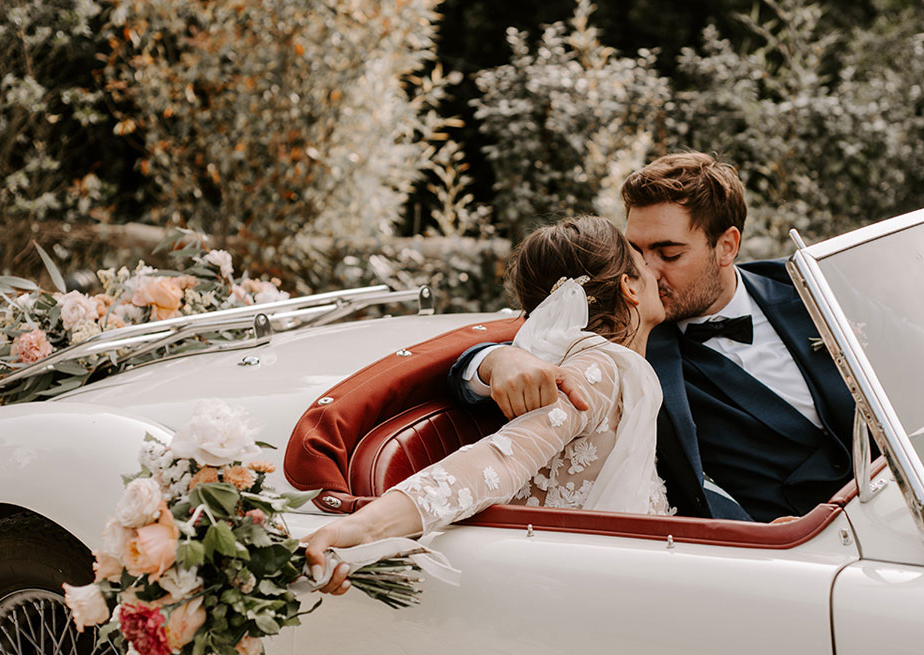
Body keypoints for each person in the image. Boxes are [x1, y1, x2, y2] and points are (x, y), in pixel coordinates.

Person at [451, 152, 855, 523]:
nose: (648, 270)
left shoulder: (813, 289)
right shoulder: (631, 338)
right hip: (783, 547)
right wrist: (495, 362)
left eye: (669, 253)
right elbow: (539, 333)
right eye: (638, 251)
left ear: (727, 246)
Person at [304, 215, 670, 594]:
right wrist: (365, 526)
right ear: (629, 287)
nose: (658, 273)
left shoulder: (591, 363)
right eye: (644, 264)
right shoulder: (596, 369)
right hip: (558, 584)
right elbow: (502, 459)